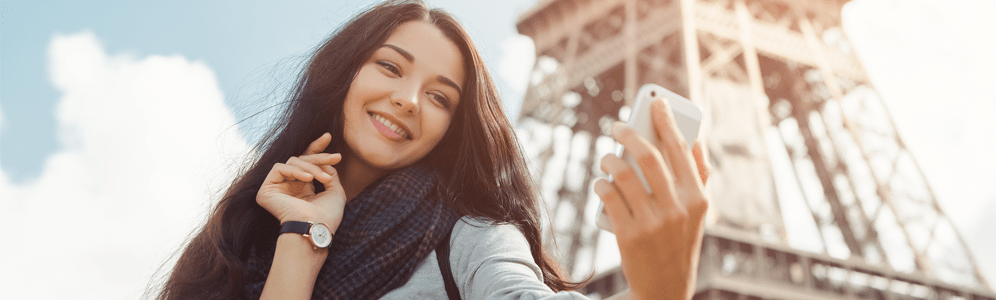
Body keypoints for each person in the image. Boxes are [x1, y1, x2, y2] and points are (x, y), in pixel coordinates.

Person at [159, 1, 710, 299]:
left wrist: (660, 295)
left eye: (440, 98)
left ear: (453, 127)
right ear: (345, 72)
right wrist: (303, 236)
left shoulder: (472, 239)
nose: (407, 100)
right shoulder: (243, 237)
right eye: (391, 67)